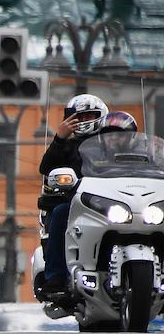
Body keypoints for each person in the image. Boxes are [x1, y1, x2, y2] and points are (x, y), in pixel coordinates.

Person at [39, 94, 108, 296]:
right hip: (80, 202)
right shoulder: (67, 146)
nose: (85, 120)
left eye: (90, 116)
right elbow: (46, 168)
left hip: (114, 202)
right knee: (61, 213)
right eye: (80, 117)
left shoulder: (111, 144)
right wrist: (59, 139)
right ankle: (56, 278)